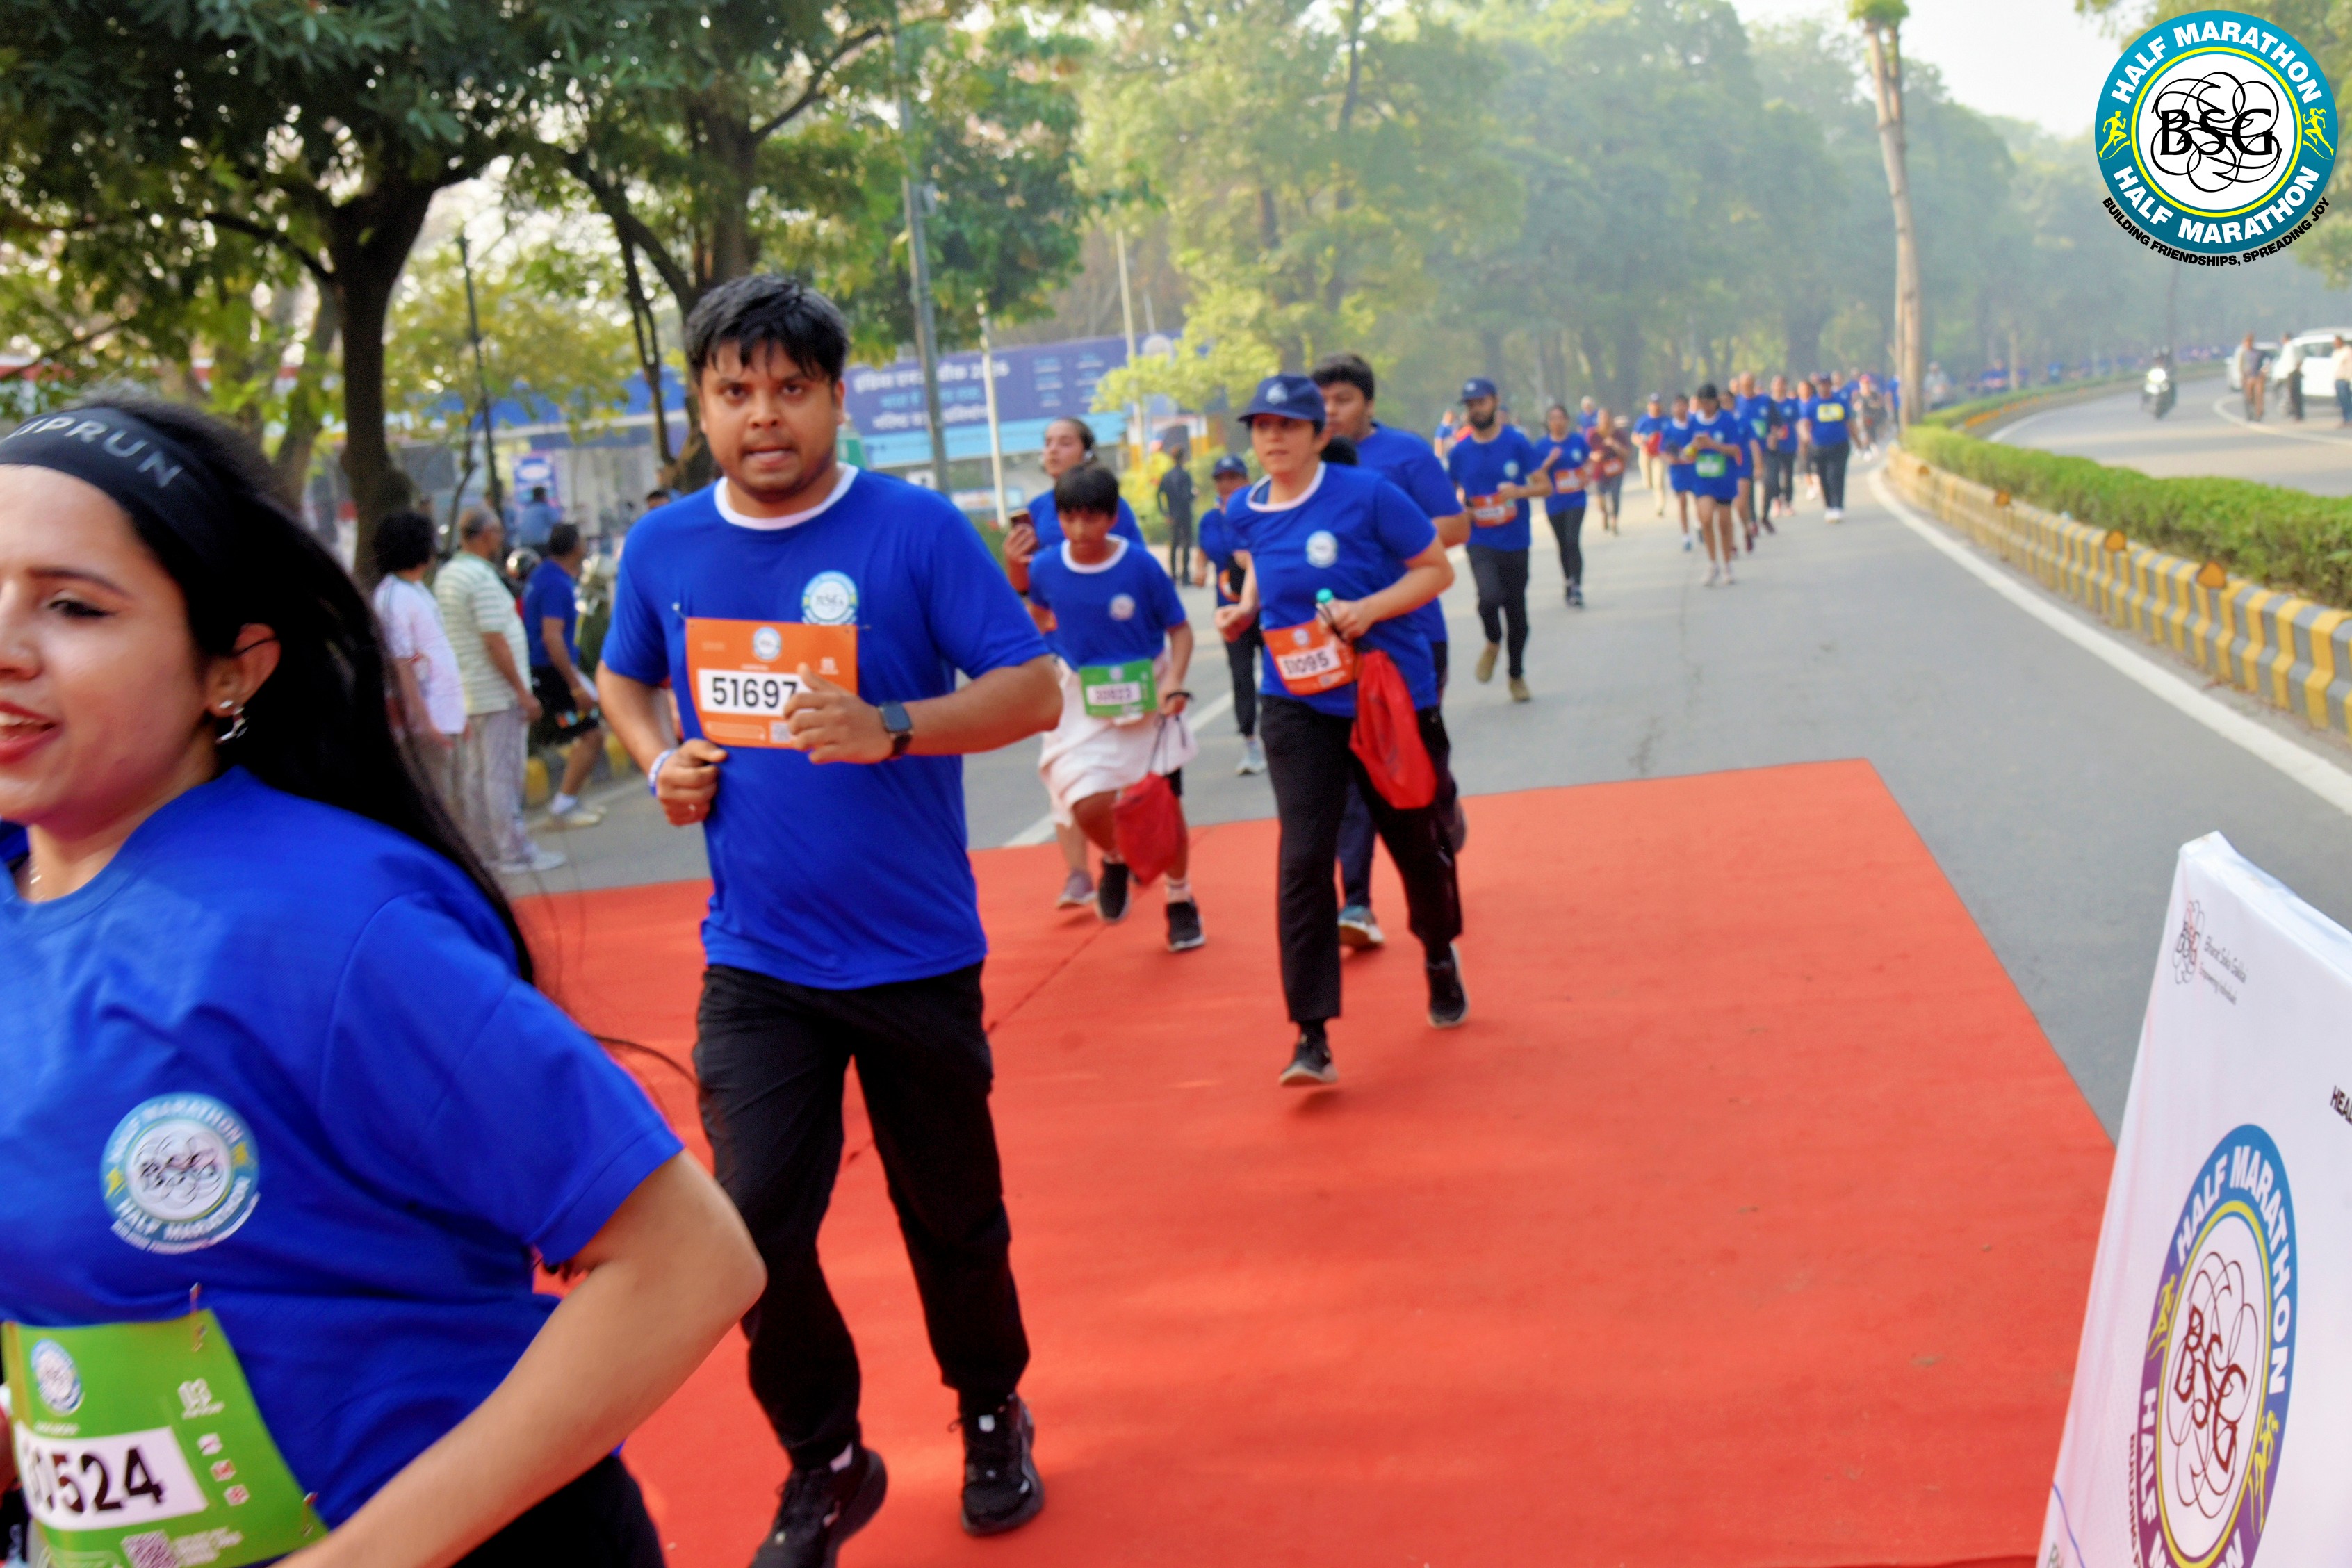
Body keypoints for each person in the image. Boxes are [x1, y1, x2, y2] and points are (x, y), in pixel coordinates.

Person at [0, 397, 765, 1568]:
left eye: (73, 606)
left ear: (231, 668)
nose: (8, 645)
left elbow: (686, 1263)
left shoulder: (330, 924)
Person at [592, 275, 1063, 1567]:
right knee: (745, 1230)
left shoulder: (913, 532)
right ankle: (827, 1458)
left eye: (790, 388)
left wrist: (891, 725)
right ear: (699, 407)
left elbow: (1032, 690)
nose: (764, 415)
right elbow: (626, 677)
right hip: (758, 963)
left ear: (837, 398)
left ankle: (990, 1410)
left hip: (915, 954)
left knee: (951, 1216)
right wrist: (660, 761)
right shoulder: (664, 550)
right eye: (735, 391)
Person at [1214, 374, 1464, 1087]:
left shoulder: (1369, 495)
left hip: (1384, 693)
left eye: (1288, 426)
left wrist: (1370, 609)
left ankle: (1438, 952)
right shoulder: (1243, 508)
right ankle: (1311, 1033)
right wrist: (1246, 610)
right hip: (1295, 701)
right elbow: (1267, 558)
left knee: (1414, 841)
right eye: (1262, 427)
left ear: (1319, 435)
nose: (1273, 439)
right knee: (1302, 860)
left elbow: (1435, 570)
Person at [1309, 352, 1469, 951]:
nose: (1331, 411)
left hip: (1413, 636)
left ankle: (1445, 810)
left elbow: (1455, 527)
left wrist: (1385, 535)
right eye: (1322, 401)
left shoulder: (1404, 455)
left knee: (1421, 770)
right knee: (1357, 778)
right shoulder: (1302, 467)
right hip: (1337, 649)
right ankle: (1356, 901)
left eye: (1343, 399)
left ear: (1369, 403)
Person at [1028, 464, 1203, 948]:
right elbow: (1036, 619)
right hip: (1082, 698)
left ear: (1111, 518)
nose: (1079, 529)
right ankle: (1116, 858)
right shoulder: (1046, 568)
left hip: (1148, 691)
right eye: (1069, 518)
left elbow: (1180, 630)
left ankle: (1180, 898)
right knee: (1084, 800)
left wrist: (1175, 682)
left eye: (1091, 518)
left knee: (1162, 806)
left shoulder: (1140, 566)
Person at [1003, 416, 1150, 911]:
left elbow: (1136, 572)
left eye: (1064, 441)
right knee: (1063, 762)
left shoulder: (1114, 509)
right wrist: (1015, 563)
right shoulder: (1034, 512)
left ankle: (1132, 851)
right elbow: (1026, 591)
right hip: (1060, 658)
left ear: (1086, 451)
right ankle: (1079, 873)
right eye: (1047, 442)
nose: (1052, 449)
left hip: (1116, 655)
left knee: (1126, 765)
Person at [437, 505, 562, 874]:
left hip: (472, 691)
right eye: (497, 532)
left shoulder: (449, 575)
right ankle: (514, 850)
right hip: (495, 692)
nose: (501, 538)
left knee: (478, 776)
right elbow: (495, 641)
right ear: (485, 536)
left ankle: (487, 849)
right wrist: (522, 692)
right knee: (501, 775)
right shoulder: (479, 578)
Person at [1446, 377, 1545, 703]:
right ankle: (1492, 641)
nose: (1476, 410)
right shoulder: (1460, 452)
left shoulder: (1516, 443)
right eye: (1470, 405)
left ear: (1495, 402)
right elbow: (1445, 495)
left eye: (1481, 402)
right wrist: (1461, 509)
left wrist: (1520, 491)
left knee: (1516, 611)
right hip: (1480, 539)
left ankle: (1516, 674)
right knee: (1488, 598)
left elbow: (1545, 486)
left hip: (1515, 539)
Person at [370, 509, 467, 806]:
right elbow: (401, 665)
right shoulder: (392, 598)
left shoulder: (416, 589)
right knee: (439, 806)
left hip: (446, 717)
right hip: (425, 724)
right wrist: (425, 724)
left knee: (457, 804)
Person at [523, 523, 608, 830]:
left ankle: (568, 800)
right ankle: (564, 805)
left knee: (587, 730)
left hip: (550, 670)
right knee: (591, 735)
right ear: (575, 547)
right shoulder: (556, 584)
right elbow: (552, 636)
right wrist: (574, 684)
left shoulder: (544, 576)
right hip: (554, 673)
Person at [1197, 454, 1265, 775]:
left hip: (1264, 604)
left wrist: (1249, 558)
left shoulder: (1259, 510)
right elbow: (1204, 549)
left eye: (1233, 477)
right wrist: (1199, 567)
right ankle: (1250, 742)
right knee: (1241, 674)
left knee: (1275, 670)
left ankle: (1281, 734)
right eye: (1221, 479)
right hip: (1229, 607)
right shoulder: (1210, 520)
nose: (1227, 484)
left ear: (1246, 480)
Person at [1681, 383, 1742, 586]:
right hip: (1703, 480)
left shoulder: (1727, 420)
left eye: (1709, 403)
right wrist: (1694, 446)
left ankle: (1727, 565)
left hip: (1724, 479)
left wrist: (1713, 445)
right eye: (1702, 403)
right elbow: (1686, 454)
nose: (1706, 407)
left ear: (1716, 402)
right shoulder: (1693, 422)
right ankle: (1712, 563)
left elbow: (1735, 449)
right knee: (1706, 518)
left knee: (1724, 524)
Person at [1533, 403, 1591, 607]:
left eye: (1560, 418)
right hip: (1554, 502)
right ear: (1548, 423)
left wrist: (1587, 474)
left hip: (1576, 499)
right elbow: (1535, 475)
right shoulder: (1542, 446)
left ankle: (1577, 586)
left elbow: (1588, 462)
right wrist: (1550, 460)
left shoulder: (1577, 441)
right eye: (1553, 418)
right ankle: (1568, 581)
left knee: (1573, 540)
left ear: (1567, 420)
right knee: (1563, 544)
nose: (1557, 422)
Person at [1799, 376, 1853, 522]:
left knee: (1836, 475)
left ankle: (1838, 506)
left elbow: (1849, 422)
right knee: (1824, 477)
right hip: (1819, 447)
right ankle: (1829, 506)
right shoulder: (1813, 404)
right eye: (1821, 385)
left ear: (1830, 385)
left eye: (1826, 384)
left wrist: (1858, 441)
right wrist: (1806, 438)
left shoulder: (1840, 402)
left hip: (1839, 445)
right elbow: (1805, 423)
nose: (1823, 388)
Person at [1154, 430, 1197, 581]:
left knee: (1174, 545)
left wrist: (1164, 512)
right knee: (1186, 544)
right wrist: (1194, 495)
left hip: (1172, 514)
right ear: (1183, 457)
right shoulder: (1185, 475)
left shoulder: (1167, 476)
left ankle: (1173, 575)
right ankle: (1185, 575)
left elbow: (1159, 494)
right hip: (1185, 514)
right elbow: (1186, 496)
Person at [1761, 374, 1801, 527]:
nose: (1779, 387)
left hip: (1789, 444)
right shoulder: (1768, 403)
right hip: (1772, 446)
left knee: (1788, 475)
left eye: (1781, 384)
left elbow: (1797, 423)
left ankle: (1788, 502)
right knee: (1774, 476)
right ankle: (1776, 501)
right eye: (1776, 384)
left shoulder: (1792, 404)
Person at [1663, 392, 1697, 547]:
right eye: (1676, 406)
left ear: (1687, 407)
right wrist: (1670, 458)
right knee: (1682, 501)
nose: (1679, 409)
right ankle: (1686, 536)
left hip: (1695, 469)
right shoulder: (1669, 429)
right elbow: (1662, 450)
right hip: (1678, 471)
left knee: (1699, 500)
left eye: (1682, 405)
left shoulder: (1694, 424)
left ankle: (1700, 524)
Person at [1590, 407, 1629, 535]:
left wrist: (1615, 445)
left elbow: (1626, 453)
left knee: (1615, 496)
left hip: (1616, 470)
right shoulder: (1593, 435)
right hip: (1600, 471)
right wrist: (1594, 456)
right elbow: (1587, 453)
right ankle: (1605, 513)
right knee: (1600, 501)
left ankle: (1614, 522)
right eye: (1602, 417)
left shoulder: (1619, 434)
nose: (1605, 420)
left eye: (1607, 417)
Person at [1632, 395, 1667, 515]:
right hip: (1646, 452)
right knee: (1648, 483)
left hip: (1660, 454)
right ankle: (1649, 484)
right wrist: (1641, 441)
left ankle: (1660, 507)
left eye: (1657, 404)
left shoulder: (1665, 420)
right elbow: (1634, 436)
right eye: (1653, 404)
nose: (1655, 406)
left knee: (1659, 482)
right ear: (1649, 406)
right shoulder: (1643, 420)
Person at [515, 484, 560, 550]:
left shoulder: (527, 509)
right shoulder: (545, 508)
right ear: (543, 495)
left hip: (524, 545)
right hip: (540, 545)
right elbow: (557, 524)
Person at [2275, 334, 2306, 421]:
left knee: (2295, 394)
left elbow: (2300, 358)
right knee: (2292, 394)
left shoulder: (2292, 347)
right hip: (2289, 373)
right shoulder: (2287, 347)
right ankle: (2296, 413)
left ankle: (2298, 414)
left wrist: (2298, 369)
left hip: (2293, 372)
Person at [2237, 333, 2268, 422]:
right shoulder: (2243, 354)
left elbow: (2267, 361)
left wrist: (2264, 371)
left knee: (2259, 396)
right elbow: (2240, 366)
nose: (2248, 344)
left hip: (2258, 378)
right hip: (2248, 379)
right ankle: (2251, 413)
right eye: (2247, 342)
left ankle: (2259, 412)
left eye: (2250, 342)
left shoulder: (2258, 353)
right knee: (2249, 397)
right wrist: (2242, 375)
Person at [2331, 336, 2352, 425]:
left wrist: (2349, 377)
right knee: (2341, 401)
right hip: (2337, 378)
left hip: (2345, 379)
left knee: (2347, 400)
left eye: (2337, 342)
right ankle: (2345, 419)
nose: (2335, 344)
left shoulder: (2347, 351)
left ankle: (2350, 418)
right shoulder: (2336, 352)